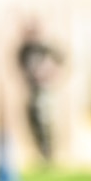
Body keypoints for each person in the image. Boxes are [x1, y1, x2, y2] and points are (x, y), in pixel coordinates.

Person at [16, 19, 64, 165]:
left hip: (44, 89)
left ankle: (48, 154)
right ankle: (41, 152)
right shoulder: (25, 49)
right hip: (31, 90)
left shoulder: (46, 48)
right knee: (33, 119)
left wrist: (48, 72)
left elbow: (60, 62)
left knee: (44, 120)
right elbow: (21, 66)